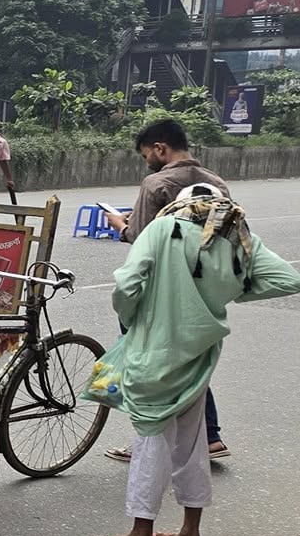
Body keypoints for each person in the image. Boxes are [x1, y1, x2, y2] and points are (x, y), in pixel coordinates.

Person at [76, 186, 298, 536]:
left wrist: (132, 320)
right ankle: (189, 534)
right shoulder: (239, 240)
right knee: (192, 443)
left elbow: (127, 285)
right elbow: (288, 279)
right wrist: (228, 293)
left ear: (182, 205)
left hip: (154, 351)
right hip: (200, 356)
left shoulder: (163, 229)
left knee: (151, 439)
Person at [101, 118, 235, 463]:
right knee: (190, 360)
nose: (147, 161)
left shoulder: (156, 183)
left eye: (148, 154)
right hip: (201, 291)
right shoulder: (217, 184)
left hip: (157, 290)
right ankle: (211, 436)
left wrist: (121, 226)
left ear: (160, 148)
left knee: (149, 365)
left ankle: (151, 439)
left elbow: (142, 238)